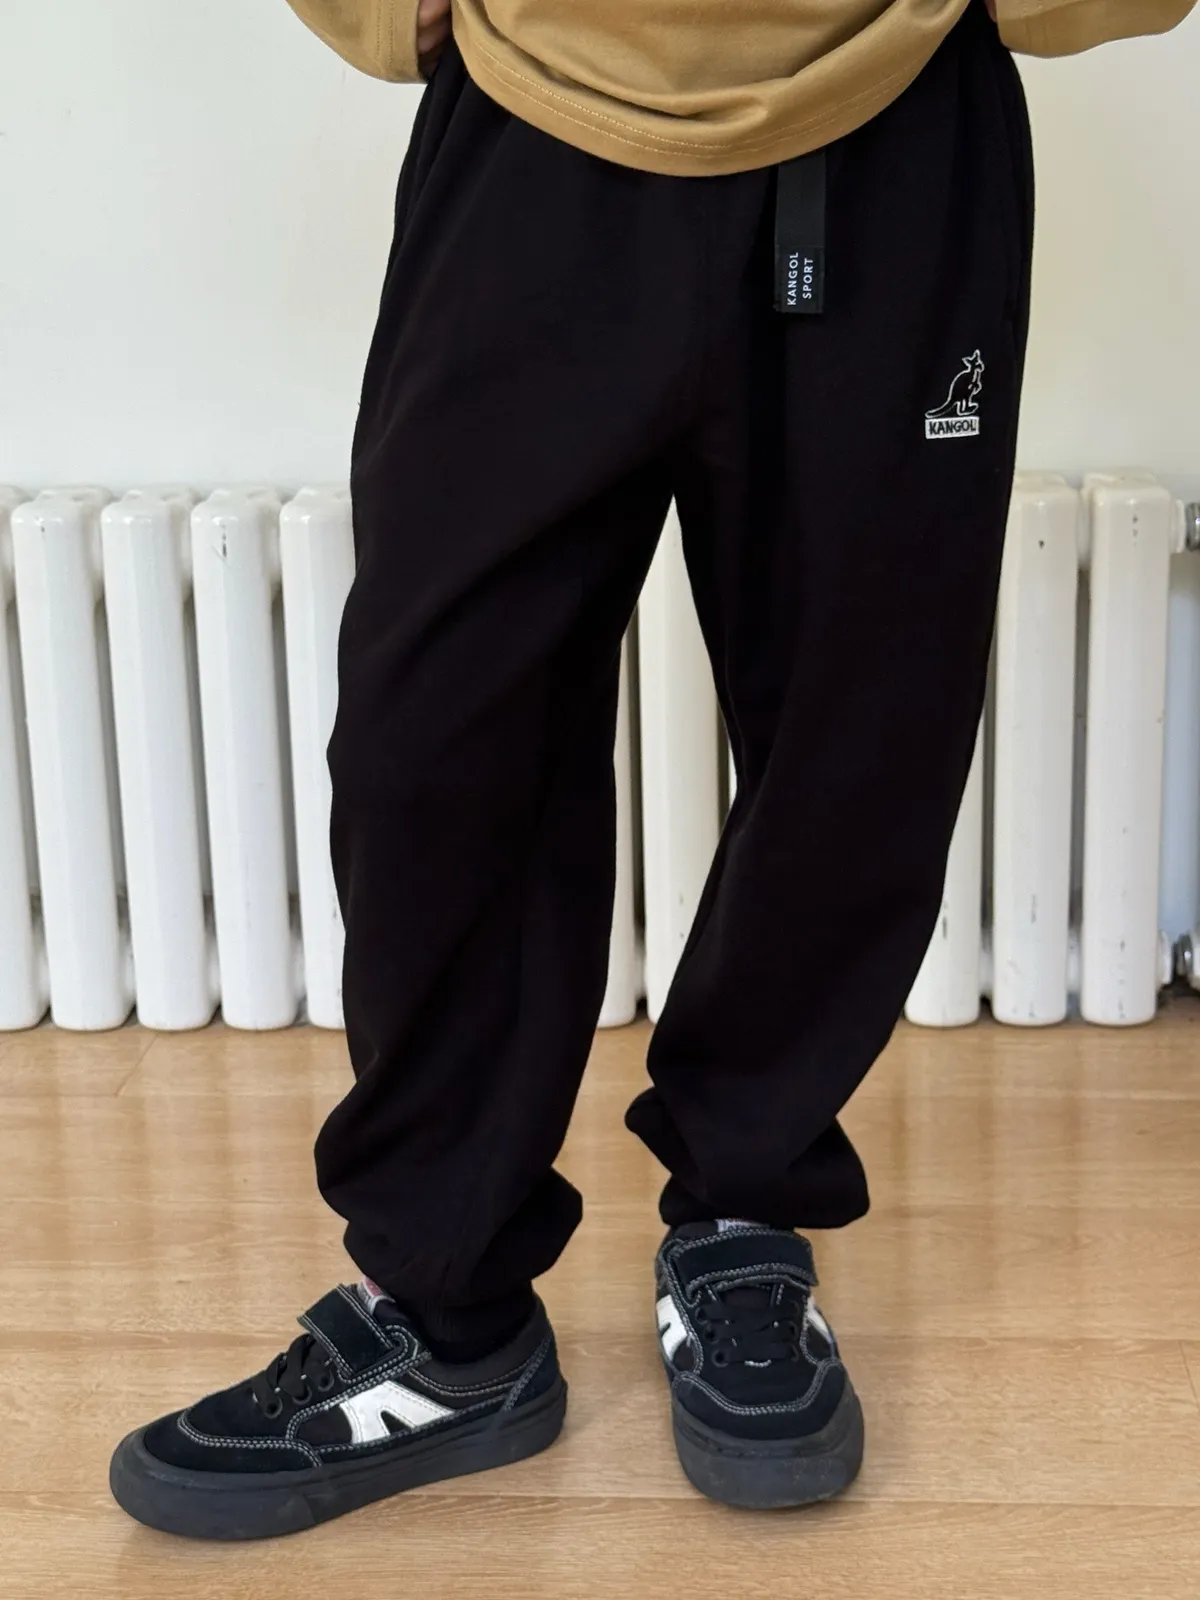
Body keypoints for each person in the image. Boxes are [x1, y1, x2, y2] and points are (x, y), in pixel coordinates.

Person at [109, 0, 1194, 1539]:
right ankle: (448, 1310)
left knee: (854, 731)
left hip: (888, 130)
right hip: (536, 130)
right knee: (438, 735)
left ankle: (745, 1212)